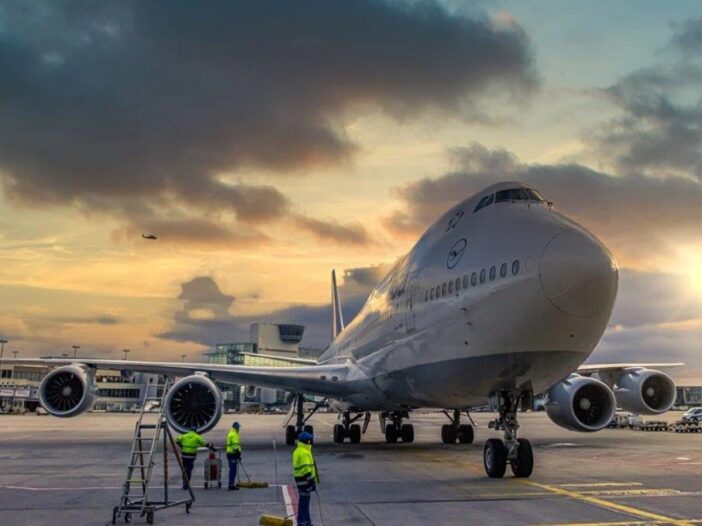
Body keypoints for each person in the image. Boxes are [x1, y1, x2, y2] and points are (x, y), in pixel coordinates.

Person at [292, 431, 318, 526]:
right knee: (304, 503)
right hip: (305, 482)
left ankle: (307, 521)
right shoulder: (304, 453)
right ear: (307, 441)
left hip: (300, 481)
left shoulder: (298, 450)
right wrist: (311, 481)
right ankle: (302, 522)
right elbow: (306, 469)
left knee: (305, 502)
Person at [225, 421, 242, 490]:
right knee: (233, 470)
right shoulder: (234, 434)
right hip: (233, 454)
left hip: (230, 453)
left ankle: (231, 484)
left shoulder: (232, 433)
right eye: (238, 427)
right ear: (236, 427)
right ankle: (231, 485)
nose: (239, 428)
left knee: (232, 469)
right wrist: (238, 455)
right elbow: (235, 446)